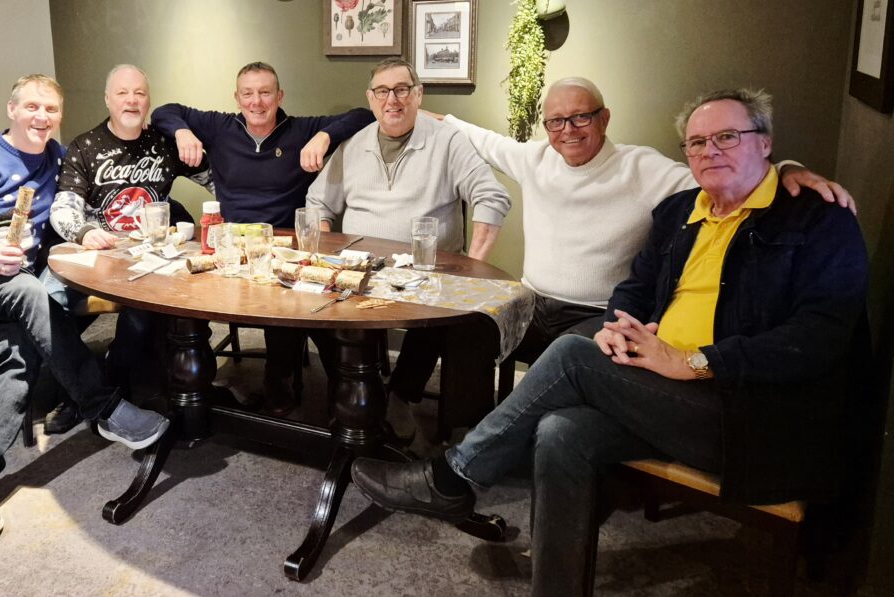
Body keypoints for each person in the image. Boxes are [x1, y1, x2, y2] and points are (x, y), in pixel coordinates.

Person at [350, 88, 868, 596]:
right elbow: (638, 286)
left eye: (727, 137)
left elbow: (820, 337)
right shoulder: (682, 211)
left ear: (765, 142)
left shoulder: (817, 219)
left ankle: (453, 477)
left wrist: (697, 361)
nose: (710, 152)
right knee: (559, 431)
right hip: (658, 387)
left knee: (573, 356)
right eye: (697, 143)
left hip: (745, 414)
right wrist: (621, 325)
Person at [429, 76, 854, 366]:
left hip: (598, 312)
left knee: (564, 361)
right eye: (556, 121)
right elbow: (472, 134)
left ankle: (513, 449)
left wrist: (788, 169)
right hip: (532, 301)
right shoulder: (534, 158)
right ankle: (459, 429)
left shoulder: (643, 168)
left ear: (604, 118)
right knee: (466, 329)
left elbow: (727, 175)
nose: (568, 130)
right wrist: (410, 110)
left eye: (581, 117)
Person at [0, 74, 170, 538]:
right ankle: (104, 407)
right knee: (32, 291)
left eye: (51, 109)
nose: (41, 116)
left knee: (21, 350)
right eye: (31, 106)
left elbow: (76, 207)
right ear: (12, 109)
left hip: (10, 286)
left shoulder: (57, 157)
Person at [305, 57, 512, 443]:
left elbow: (492, 195)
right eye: (382, 91)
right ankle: (354, 388)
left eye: (402, 90)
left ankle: (400, 395)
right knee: (314, 304)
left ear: (418, 95)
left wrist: (474, 265)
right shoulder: (353, 144)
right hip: (360, 267)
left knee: (438, 313)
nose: (392, 100)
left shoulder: (447, 141)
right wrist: (327, 251)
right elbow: (318, 201)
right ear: (370, 98)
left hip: (426, 270)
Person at [151, 61, 375, 415]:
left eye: (265, 93)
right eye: (248, 94)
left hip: (287, 249)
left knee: (298, 306)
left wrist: (324, 136)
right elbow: (164, 111)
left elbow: (363, 115)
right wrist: (182, 132)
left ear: (279, 96)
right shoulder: (220, 126)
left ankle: (283, 380)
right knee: (182, 299)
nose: (256, 102)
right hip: (230, 249)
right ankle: (193, 390)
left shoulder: (301, 129)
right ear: (237, 98)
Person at [38, 64, 214, 434]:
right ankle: (78, 391)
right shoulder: (85, 146)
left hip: (149, 258)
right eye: (122, 93)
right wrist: (84, 232)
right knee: (44, 300)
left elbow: (220, 181)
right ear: (108, 99)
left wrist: (244, 209)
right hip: (96, 255)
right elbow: (63, 208)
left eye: (139, 93)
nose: (131, 100)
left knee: (144, 312)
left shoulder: (165, 144)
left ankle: (109, 387)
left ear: (148, 101)